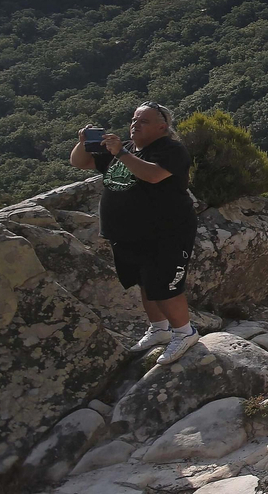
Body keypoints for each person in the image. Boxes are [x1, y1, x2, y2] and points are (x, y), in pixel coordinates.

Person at [70, 102, 199, 365]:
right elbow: (80, 162)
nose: (135, 124)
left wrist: (120, 154)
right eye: (134, 119)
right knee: (144, 281)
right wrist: (84, 142)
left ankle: (185, 333)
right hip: (129, 234)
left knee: (165, 286)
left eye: (143, 121)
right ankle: (159, 329)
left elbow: (153, 175)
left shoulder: (171, 150)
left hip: (166, 232)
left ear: (162, 126)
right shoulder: (126, 149)